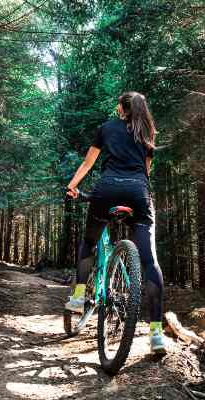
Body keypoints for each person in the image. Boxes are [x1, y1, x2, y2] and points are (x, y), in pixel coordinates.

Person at [65, 91, 166, 355]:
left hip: (106, 189)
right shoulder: (147, 131)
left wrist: (72, 186)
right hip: (138, 193)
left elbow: (89, 162)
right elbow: (146, 171)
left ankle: (77, 296)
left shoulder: (106, 128)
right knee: (149, 260)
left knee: (90, 240)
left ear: (122, 109)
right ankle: (156, 334)